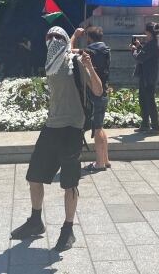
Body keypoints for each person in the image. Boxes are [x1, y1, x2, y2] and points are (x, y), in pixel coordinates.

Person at [10, 26, 103, 252]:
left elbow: (98, 91)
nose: (53, 40)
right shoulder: (51, 62)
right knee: (34, 176)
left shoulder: (76, 62)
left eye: (57, 37)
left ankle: (68, 229)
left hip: (72, 127)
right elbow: (63, 49)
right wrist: (72, 38)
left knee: (70, 182)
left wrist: (89, 66)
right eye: (49, 36)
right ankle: (35, 220)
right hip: (51, 126)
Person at [78, 26, 111, 173]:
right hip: (104, 90)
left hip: (95, 92)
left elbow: (69, 51)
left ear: (89, 38)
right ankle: (106, 159)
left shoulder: (90, 51)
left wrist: (74, 37)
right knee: (100, 126)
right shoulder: (106, 49)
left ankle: (99, 163)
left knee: (97, 128)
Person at [131, 21, 159, 134]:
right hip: (149, 75)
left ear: (149, 32)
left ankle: (155, 127)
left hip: (147, 77)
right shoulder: (156, 42)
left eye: (146, 31)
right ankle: (145, 124)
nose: (144, 33)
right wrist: (139, 46)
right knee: (143, 100)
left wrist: (134, 50)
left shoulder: (152, 44)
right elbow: (146, 55)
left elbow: (140, 58)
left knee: (149, 101)